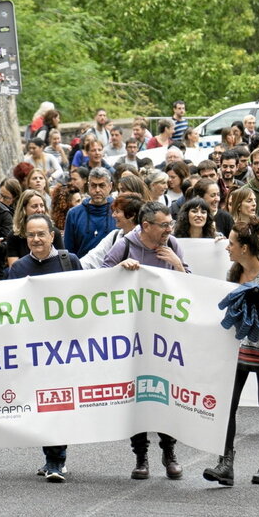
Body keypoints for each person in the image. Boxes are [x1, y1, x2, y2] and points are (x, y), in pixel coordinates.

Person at [102, 202, 189, 480]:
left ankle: (169, 451)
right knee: (138, 395)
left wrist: (177, 265)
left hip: (164, 335)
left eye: (170, 224)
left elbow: (190, 287)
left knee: (164, 394)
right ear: (146, 226)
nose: (168, 230)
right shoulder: (124, 246)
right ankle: (141, 457)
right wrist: (120, 270)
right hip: (132, 336)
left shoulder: (173, 244)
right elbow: (100, 278)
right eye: (164, 225)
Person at [203, 217, 259, 487]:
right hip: (238, 347)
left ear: (245, 248)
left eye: (231, 244)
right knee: (229, 403)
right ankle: (225, 462)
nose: (228, 248)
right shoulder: (233, 272)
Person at [5, 214, 82, 482]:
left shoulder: (68, 261)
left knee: (59, 403)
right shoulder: (18, 269)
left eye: (41, 234)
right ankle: (51, 458)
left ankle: (56, 460)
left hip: (65, 349)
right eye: (30, 235)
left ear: (52, 235)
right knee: (41, 405)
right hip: (33, 349)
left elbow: (88, 296)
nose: (36, 239)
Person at [63, 167, 116, 258]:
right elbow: (69, 251)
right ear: (88, 186)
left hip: (112, 269)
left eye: (102, 185)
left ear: (110, 186)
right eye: (93, 185)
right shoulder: (74, 214)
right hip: (83, 269)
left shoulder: (119, 212)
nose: (97, 190)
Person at [80, 194, 143, 269]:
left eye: (117, 211)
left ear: (132, 215)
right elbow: (93, 258)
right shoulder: (114, 235)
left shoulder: (148, 237)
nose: (113, 215)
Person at [6, 189, 64, 266]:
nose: (40, 210)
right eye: (34, 206)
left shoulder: (54, 232)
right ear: (24, 209)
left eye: (42, 205)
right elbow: (14, 269)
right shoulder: (14, 236)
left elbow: (62, 262)